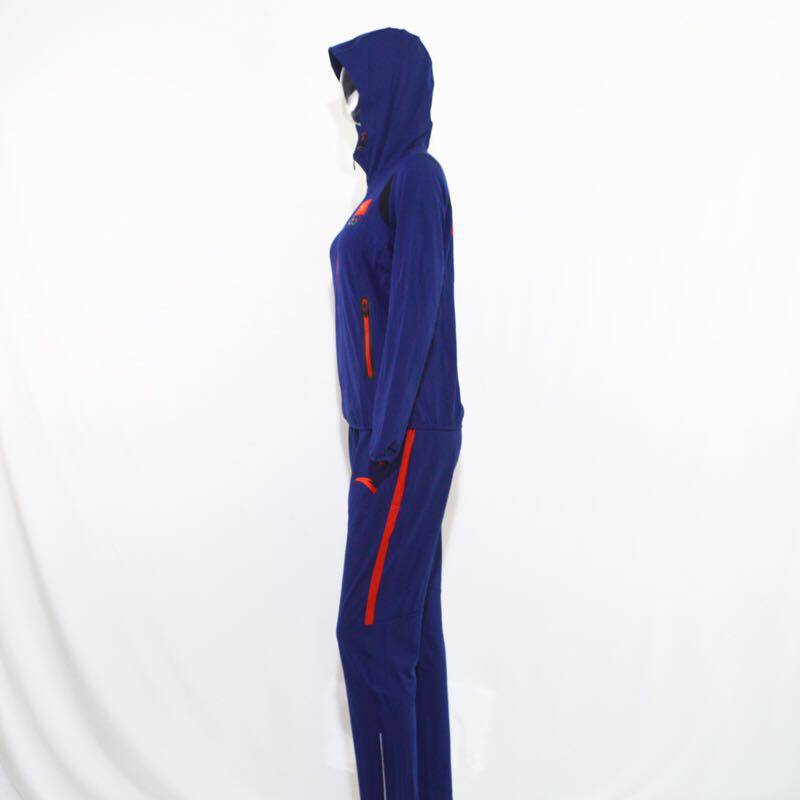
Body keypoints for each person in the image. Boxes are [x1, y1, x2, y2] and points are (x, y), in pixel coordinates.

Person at [327, 27, 465, 800]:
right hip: (388, 434)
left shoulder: (415, 178)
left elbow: (415, 310)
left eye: (361, 90)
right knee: (408, 638)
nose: (354, 108)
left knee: (370, 639)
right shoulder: (382, 187)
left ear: (394, 89)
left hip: (404, 434)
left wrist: (380, 448)